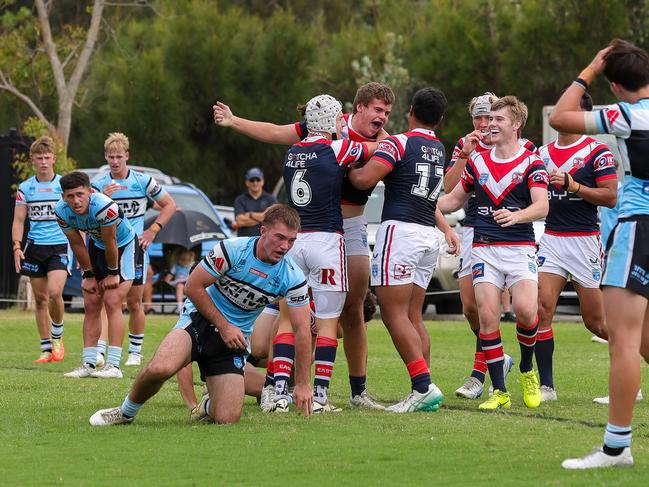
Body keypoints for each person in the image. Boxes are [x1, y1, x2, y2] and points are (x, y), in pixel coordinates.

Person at [213, 82, 394, 409]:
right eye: (378, 109)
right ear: (355, 110)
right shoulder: (342, 143)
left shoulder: (297, 149)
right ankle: (312, 392)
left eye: (386, 112)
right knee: (320, 318)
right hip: (326, 235)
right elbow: (275, 131)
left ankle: (293, 391)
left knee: (311, 314)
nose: (382, 117)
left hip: (313, 235)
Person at [88, 204, 314, 426]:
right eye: (280, 237)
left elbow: (302, 329)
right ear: (263, 231)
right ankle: (125, 412)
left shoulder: (292, 277)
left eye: (291, 240)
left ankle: (208, 404)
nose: (285, 246)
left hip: (233, 341)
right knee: (160, 369)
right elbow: (192, 287)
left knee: (227, 418)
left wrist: (303, 384)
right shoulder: (232, 250)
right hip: (199, 321)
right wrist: (224, 326)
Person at [550, 39, 649, 470]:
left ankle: (615, 447)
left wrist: (587, 69)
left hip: (639, 226)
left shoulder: (627, 114)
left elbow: (559, 116)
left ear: (614, 83)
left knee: (623, 341)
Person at [348, 87, 459, 412]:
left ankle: (422, 386)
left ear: (410, 110)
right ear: (439, 120)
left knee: (394, 314)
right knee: (413, 316)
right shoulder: (437, 147)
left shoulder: (399, 143)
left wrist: (344, 165)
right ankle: (425, 386)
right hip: (427, 235)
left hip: (402, 233)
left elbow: (363, 180)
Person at [437, 96, 549, 410]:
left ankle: (527, 368)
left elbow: (542, 205)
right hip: (485, 246)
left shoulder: (531, 161)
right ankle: (499, 391)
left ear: (516, 125)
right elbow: (454, 199)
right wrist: (427, 204)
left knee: (527, 313)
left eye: (499, 119)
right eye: (490, 119)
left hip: (519, 247)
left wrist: (518, 215)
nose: (491, 124)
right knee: (487, 317)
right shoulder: (476, 161)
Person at [268, 94, 375, 413]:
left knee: (287, 321)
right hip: (328, 241)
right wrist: (345, 134)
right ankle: (319, 396)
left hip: (295, 241)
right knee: (328, 324)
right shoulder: (338, 148)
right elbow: (373, 149)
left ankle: (280, 394)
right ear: (331, 121)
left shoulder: (291, 153)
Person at [536, 91, 618, 402]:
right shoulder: (541, 153)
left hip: (584, 240)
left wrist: (574, 185)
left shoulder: (597, 152)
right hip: (552, 239)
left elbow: (610, 196)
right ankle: (547, 388)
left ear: (581, 113)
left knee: (596, 322)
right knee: (541, 311)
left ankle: (630, 375)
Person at [92, 133, 177, 366]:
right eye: (111, 157)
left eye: (119, 156)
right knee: (106, 298)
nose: (115, 161)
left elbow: (170, 204)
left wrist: (153, 230)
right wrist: (99, 198)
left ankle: (135, 351)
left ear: (127, 156)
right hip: (107, 246)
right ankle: (100, 350)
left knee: (134, 301)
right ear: (106, 157)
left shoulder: (142, 181)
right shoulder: (98, 184)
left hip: (136, 247)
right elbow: (87, 213)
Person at [55, 171, 137, 378]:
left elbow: (112, 242)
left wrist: (113, 273)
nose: (75, 201)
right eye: (70, 196)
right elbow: (77, 243)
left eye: (80, 194)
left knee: (112, 300)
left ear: (90, 191)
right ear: (63, 196)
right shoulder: (61, 211)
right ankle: (89, 363)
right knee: (91, 303)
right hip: (98, 247)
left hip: (124, 246)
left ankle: (114, 366)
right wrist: (88, 274)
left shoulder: (103, 206)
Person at [12, 136, 68, 363]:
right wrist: (17, 246)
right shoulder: (26, 187)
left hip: (59, 246)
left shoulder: (63, 185)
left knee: (55, 293)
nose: (44, 162)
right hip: (34, 247)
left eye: (47, 157)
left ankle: (57, 337)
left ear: (53, 158)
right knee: (40, 299)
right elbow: (18, 221)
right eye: (39, 158)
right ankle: (46, 349)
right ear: (33, 161)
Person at [233, 167, 277, 237]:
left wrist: (251, 215)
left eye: (258, 180)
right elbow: (240, 221)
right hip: (244, 242)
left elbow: (273, 220)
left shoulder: (271, 199)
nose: (255, 183)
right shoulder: (240, 199)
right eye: (252, 180)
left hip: (265, 242)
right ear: (247, 182)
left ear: (262, 181)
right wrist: (263, 217)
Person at [164, 248, 195, 313]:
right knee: (180, 286)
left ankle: (193, 306)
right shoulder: (176, 267)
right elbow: (167, 280)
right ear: (178, 258)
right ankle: (180, 306)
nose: (185, 262)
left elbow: (194, 278)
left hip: (189, 285)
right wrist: (175, 283)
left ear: (190, 259)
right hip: (178, 286)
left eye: (187, 260)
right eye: (183, 260)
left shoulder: (191, 266)